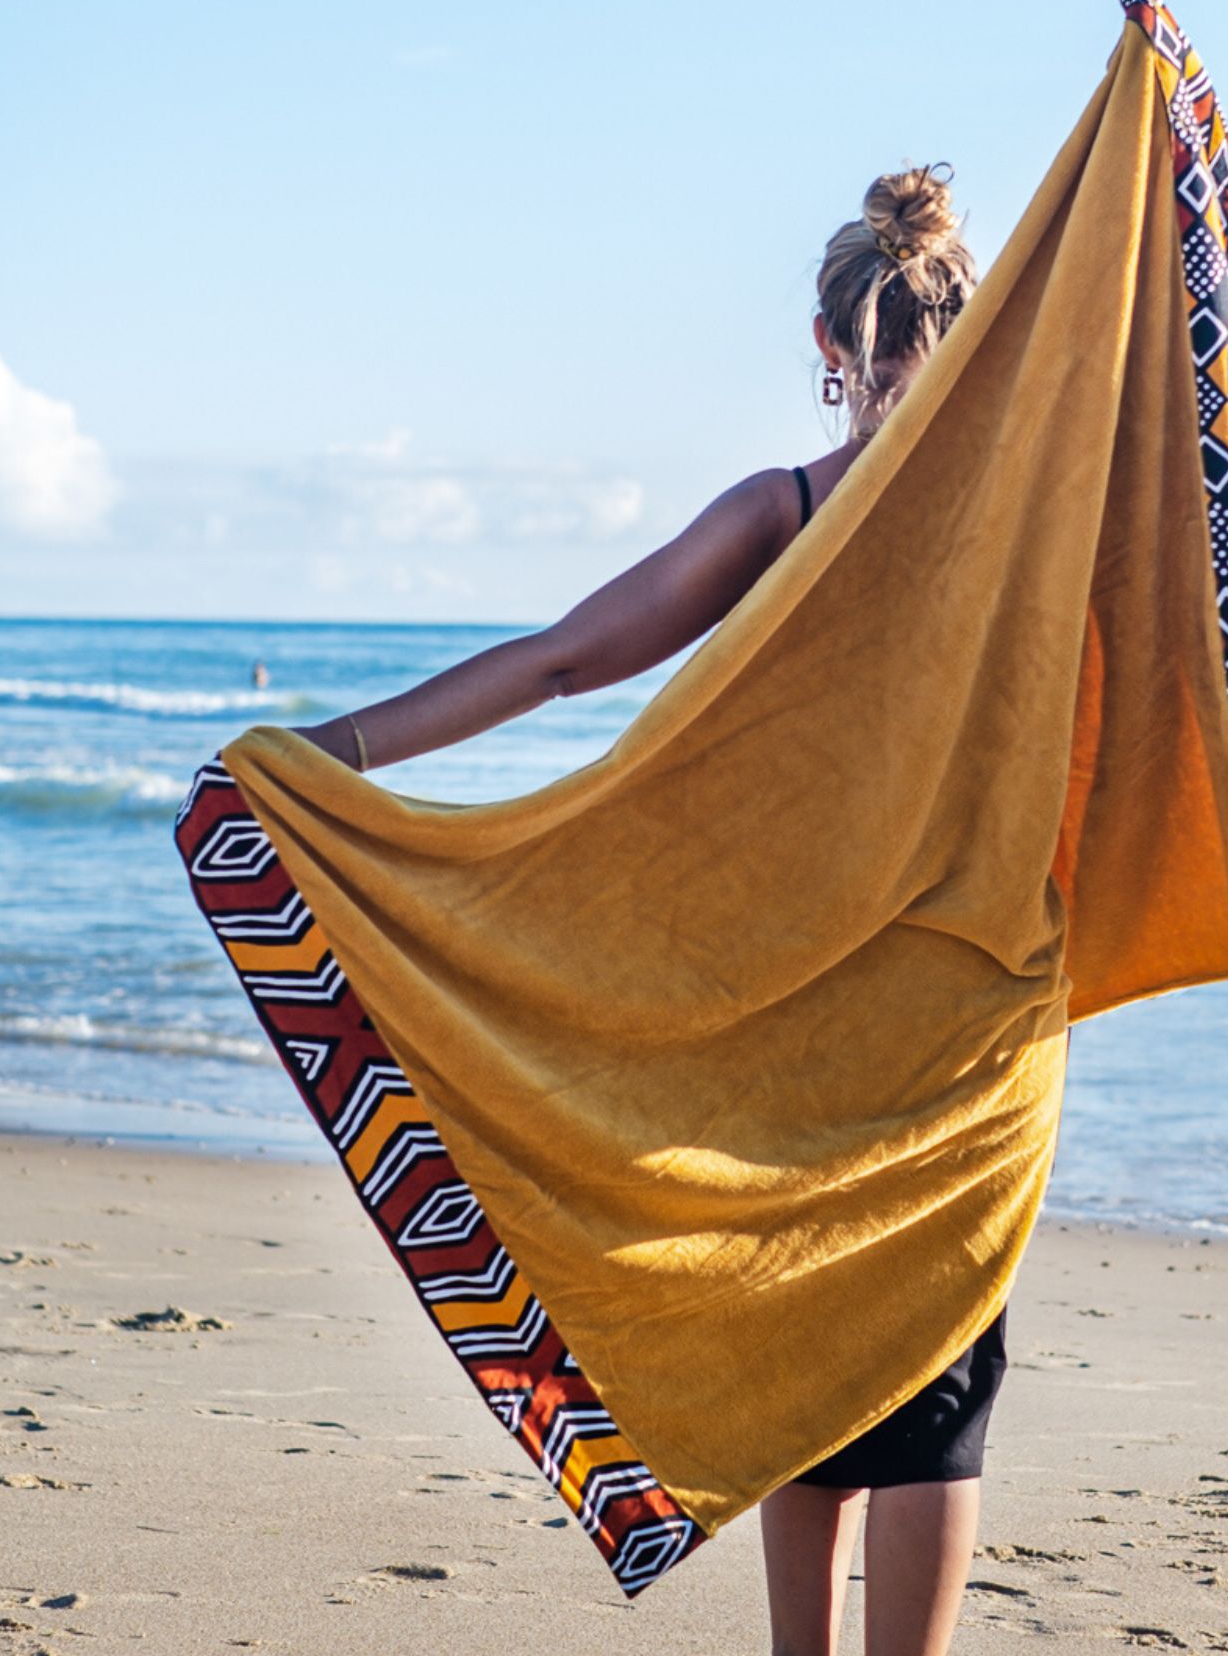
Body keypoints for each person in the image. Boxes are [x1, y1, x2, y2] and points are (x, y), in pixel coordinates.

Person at [291, 163, 989, 1656]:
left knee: (810, 1338)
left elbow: (559, 662)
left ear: (826, 341)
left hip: (791, 1001)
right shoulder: (1018, 528)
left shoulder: (782, 511)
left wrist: (325, 760)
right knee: (938, 1366)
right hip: (970, 1004)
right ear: (976, 314)